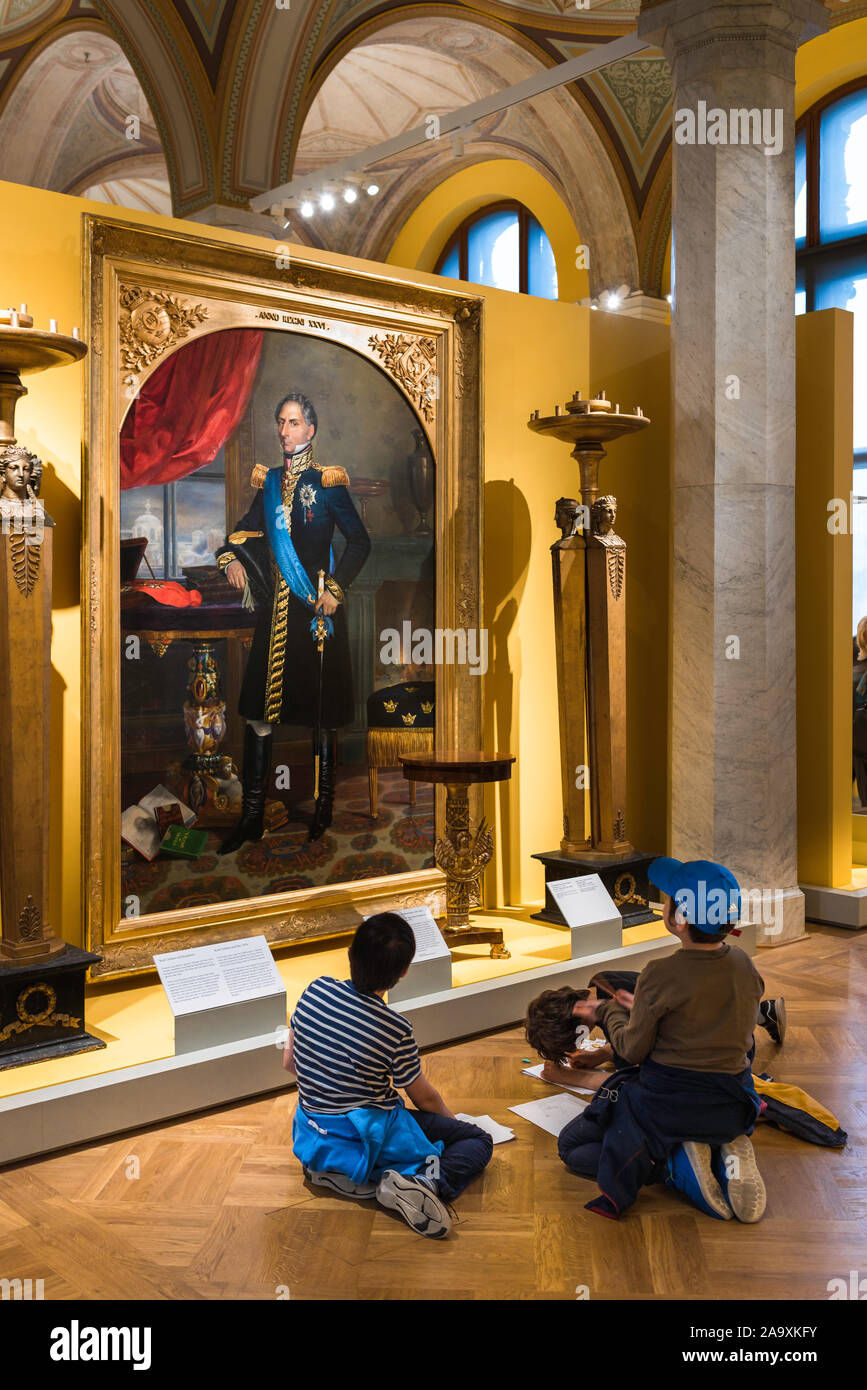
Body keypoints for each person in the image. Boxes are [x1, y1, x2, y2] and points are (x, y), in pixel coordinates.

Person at [550, 858, 768, 1224]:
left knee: (571, 1148)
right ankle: (725, 1146)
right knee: (712, 1110)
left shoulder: (660, 973)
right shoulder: (745, 964)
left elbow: (632, 1050)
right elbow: (717, 1022)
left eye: (666, 899)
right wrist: (647, 1011)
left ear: (679, 919)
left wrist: (608, 1013)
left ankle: (673, 1165)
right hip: (730, 1105)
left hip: (668, 1108)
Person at [216, 391, 370, 850]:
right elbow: (236, 534)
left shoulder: (329, 482)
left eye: (294, 422)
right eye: (280, 422)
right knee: (260, 717)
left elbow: (360, 543)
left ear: (311, 430)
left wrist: (335, 590)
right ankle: (251, 816)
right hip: (273, 617)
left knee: (319, 717)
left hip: (315, 616)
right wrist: (231, 561)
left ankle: (322, 810)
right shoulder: (267, 483)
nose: (284, 431)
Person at [283, 912, 493, 1238]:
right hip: (366, 1134)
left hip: (313, 1131)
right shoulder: (395, 1029)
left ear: (350, 954)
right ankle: (421, 1183)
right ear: (404, 972)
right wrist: (454, 1125)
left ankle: (330, 1168)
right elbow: (423, 1096)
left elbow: (289, 1063)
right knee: (477, 1141)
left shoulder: (315, 991)